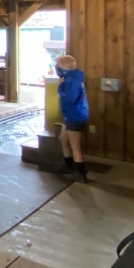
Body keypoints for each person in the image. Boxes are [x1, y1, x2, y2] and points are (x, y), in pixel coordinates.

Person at [55, 55, 89, 183]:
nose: (56, 68)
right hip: (70, 115)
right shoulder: (71, 79)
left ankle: (81, 174)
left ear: (64, 67)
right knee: (63, 139)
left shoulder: (72, 81)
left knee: (75, 146)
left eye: (58, 66)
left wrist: (60, 88)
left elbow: (70, 98)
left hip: (75, 115)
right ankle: (69, 166)